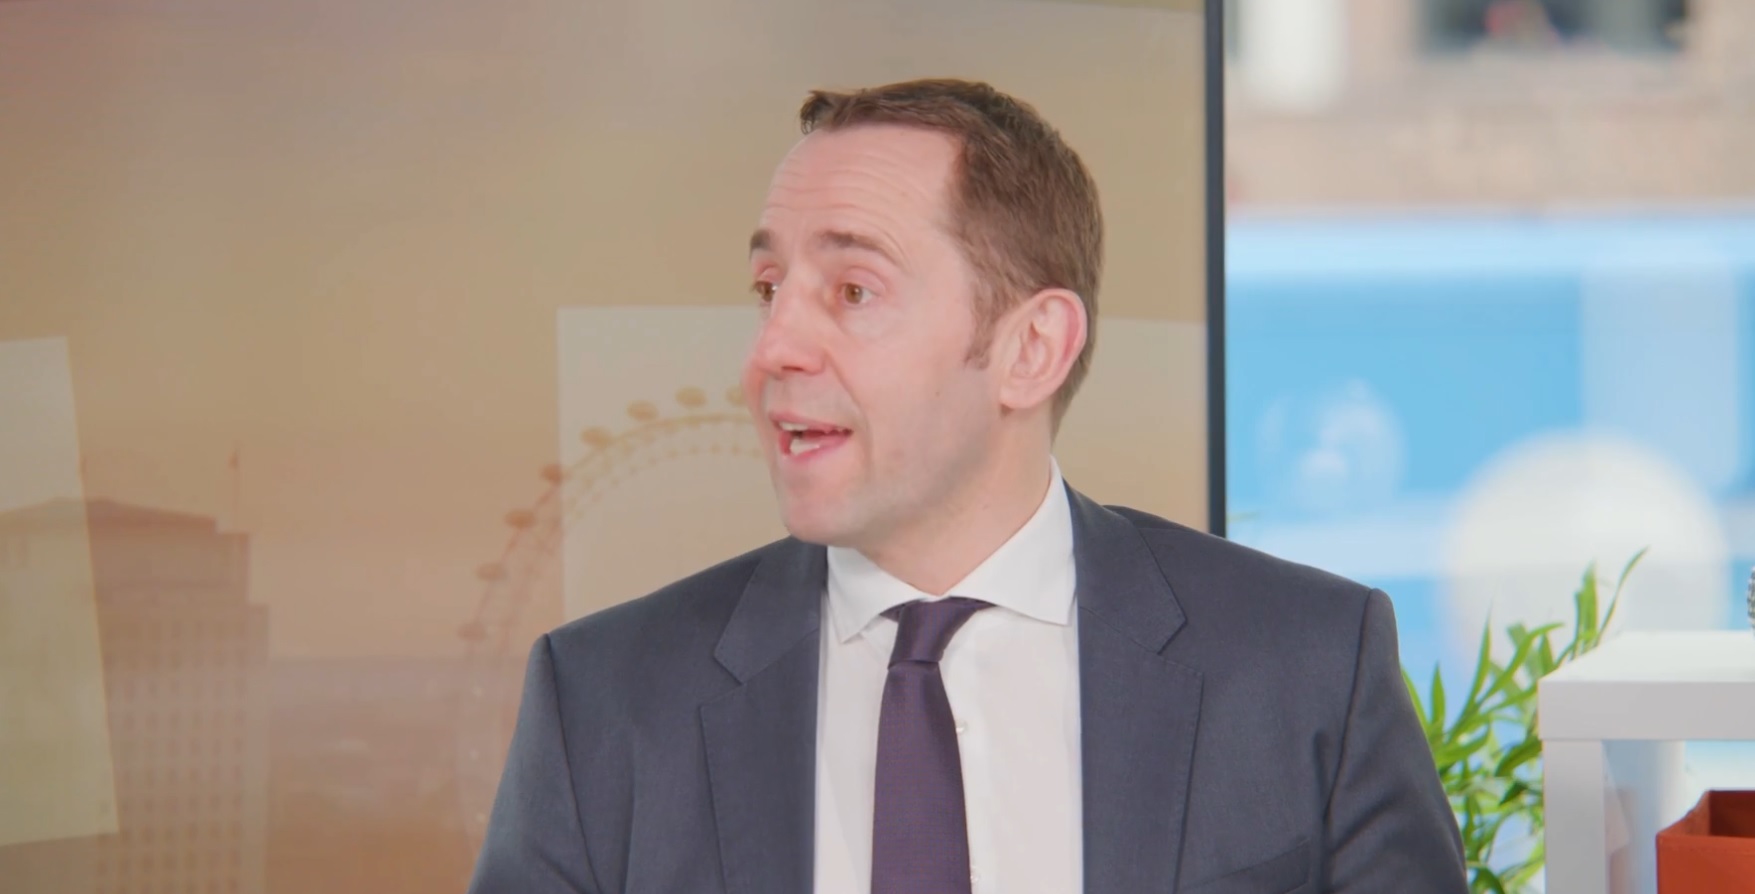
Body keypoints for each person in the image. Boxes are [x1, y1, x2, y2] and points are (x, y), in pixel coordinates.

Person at [467, 78, 1468, 894]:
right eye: (769, 292)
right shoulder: (603, 706)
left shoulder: (1304, 669)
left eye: (853, 292)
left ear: (1031, 349)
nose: (771, 349)